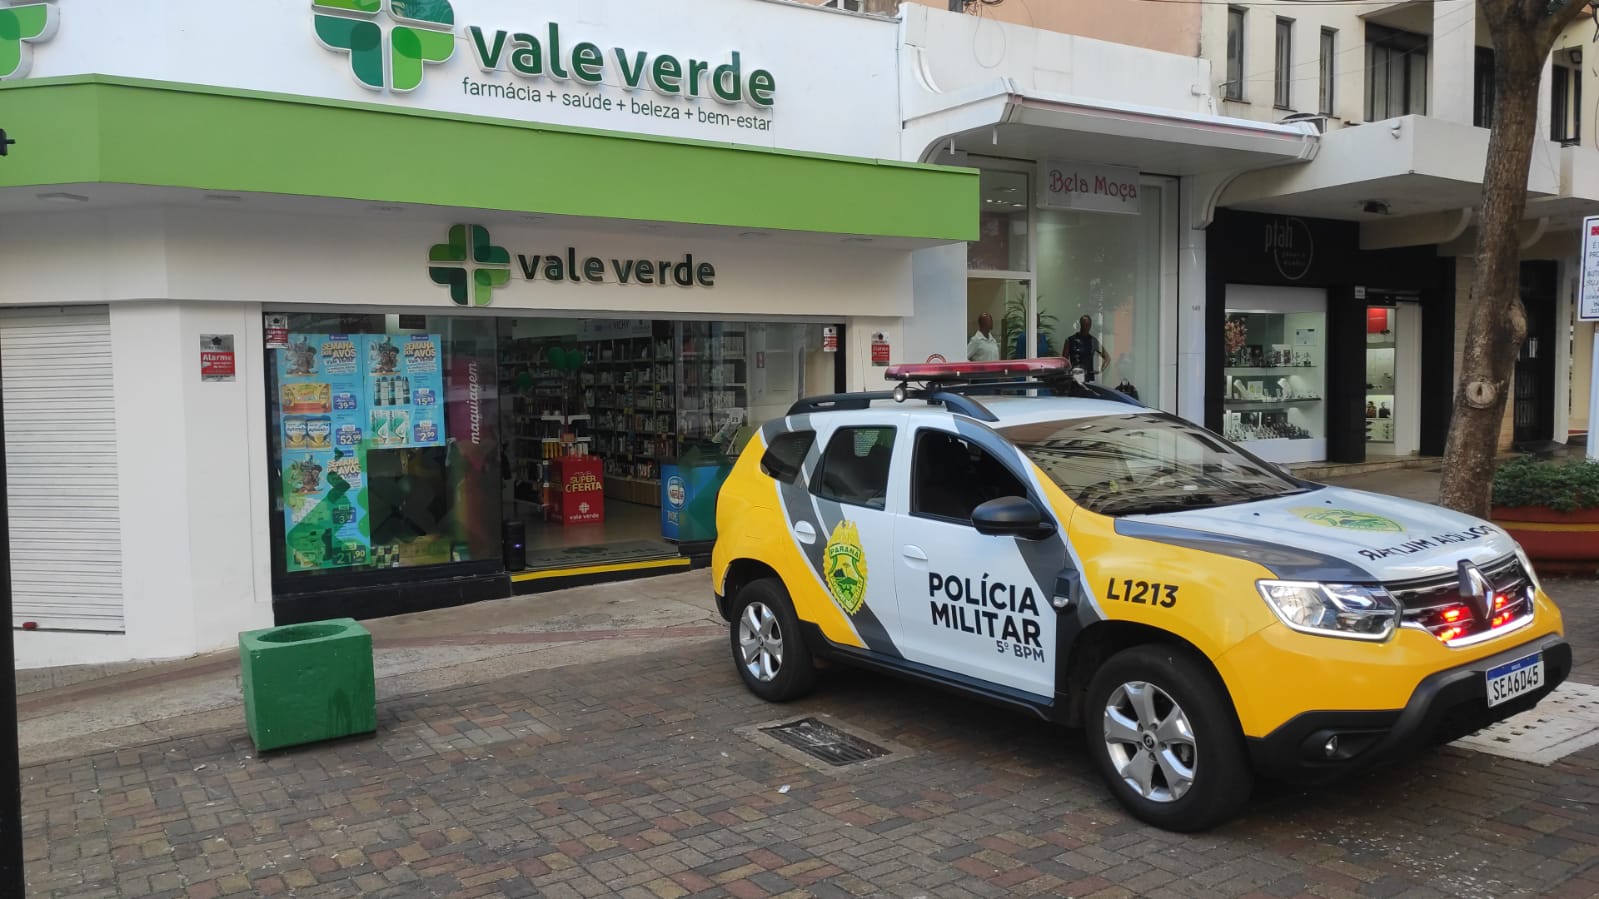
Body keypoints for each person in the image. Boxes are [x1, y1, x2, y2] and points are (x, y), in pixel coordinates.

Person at [1065, 315, 1111, 382]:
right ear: (1081, 324)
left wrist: (1100, 369)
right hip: (1074, 377)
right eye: (1084, 324)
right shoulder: (1070, 340)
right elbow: (1064, 361)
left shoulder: (1093, 341)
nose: (1086, 327)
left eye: (1088, 325)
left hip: (1088, 378)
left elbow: (1107, 358)